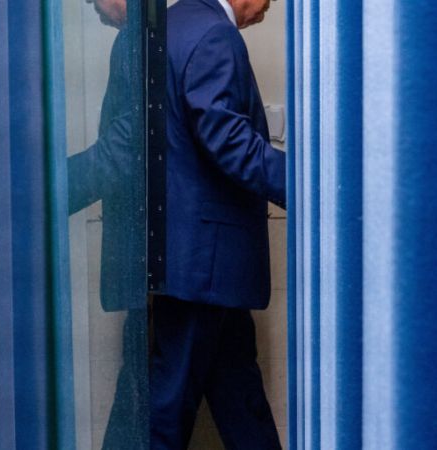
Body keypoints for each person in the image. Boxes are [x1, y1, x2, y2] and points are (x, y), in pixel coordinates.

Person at [152, 0, 285, 448]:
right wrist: (311, 184)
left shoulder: (168, 25)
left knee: (240, 400)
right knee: (167, 412)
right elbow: (228, 140)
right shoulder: (214, 34)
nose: (271, 6)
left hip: (195, 260)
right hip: (205, 263)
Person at [68, 0, 149, 448]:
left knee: (143, 377)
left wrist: (49, 189)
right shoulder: (142, 36)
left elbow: (125, 146)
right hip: (169, 253)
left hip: (153, 251)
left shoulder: (137, 40)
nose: (92, 8)